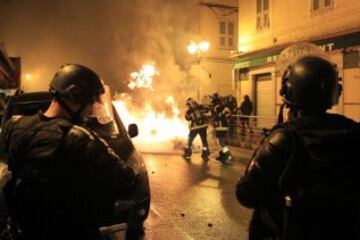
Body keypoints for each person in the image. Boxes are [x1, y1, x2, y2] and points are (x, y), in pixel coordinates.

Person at [0, 64, 136, 240]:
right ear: (75, 97)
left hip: (24, 230)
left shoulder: (15, 126)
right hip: (69, 231)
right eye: (90, 101)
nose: (92, 108)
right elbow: (126, 180)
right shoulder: (77, 137)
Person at [236, 56, 360, 240]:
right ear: (335, 91)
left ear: (289, 90)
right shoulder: (353, 131)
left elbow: (247, 194)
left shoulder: (284, 139)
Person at [211, 95, 233, 164]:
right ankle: (222, 156)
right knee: (220, 143)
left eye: (223, 101)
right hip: (220, 128)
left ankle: (228, 154)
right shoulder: (222, 108)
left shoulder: (224, 108)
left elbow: (227, 116)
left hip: (222, 128)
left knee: (221, 143)